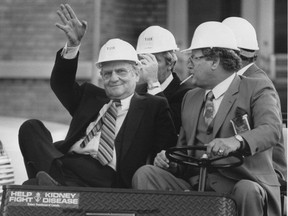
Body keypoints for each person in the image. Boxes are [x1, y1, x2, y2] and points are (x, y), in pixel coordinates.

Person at [18, 4, 177, 188]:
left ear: (136, 72)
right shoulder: (90, 97)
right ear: (101, 76)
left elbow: (167, 146)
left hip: (106, 176)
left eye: (121, 71)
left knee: (31, 184)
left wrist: (154, 84)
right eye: (107, 73)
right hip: (69, 164)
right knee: (31, 128)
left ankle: (48, 183)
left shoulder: (152, 106)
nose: (114, 78)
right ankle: (54, 184)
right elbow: (60, 84)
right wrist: (73, 45)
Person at [132, 21, 282, 216]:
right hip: (196, 187)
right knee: (146, 174)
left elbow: (271, 130)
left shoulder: (257, 88)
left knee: (247, 189)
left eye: (195, 57)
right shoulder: (190, 97)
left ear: (215, 61)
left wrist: (236, 141)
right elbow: (183, 154)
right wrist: (171, 162)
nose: (189, 64)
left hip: (240, 185)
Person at [222, 17, 287, 180]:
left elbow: (269, 130)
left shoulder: (258, 84)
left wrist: (236, 140)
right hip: (233, 171)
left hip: (259, 177)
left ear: (230, 55)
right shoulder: (230, 82)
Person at [135, 25, 194, 133]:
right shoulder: (137, 92)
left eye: (155, 60)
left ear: (170, 64)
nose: (148, 65)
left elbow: (170, 129)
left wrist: (153, 83)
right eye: (144, 59)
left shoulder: (185, 94)